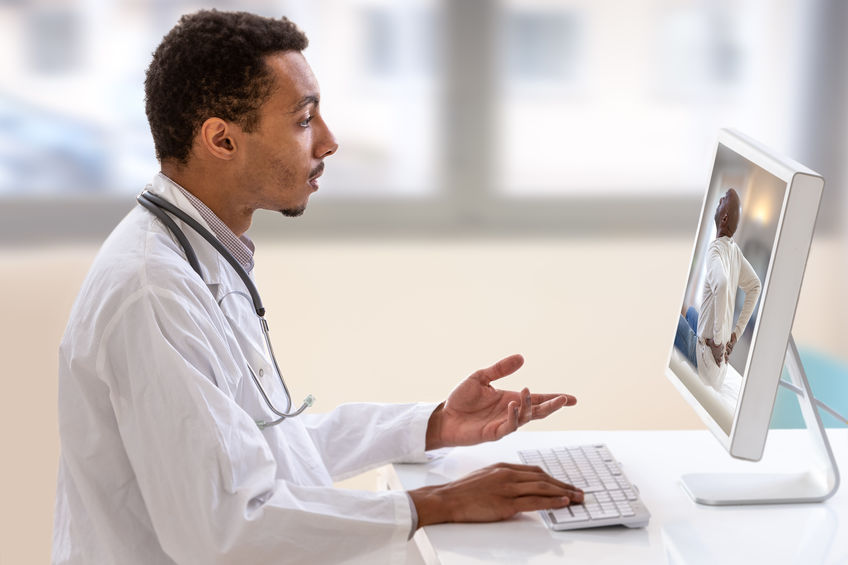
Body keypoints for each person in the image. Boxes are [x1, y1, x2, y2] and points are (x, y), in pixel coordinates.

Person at [52, 10, 583, 564]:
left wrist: (432, 424)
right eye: (305, 120)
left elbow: (268, 448)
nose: (328, 142)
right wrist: (435, 503)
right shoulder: (153, 292)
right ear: (221, 139)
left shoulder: (195, 256)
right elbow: (224, 531)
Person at [675, 188, 761, 392]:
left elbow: (721, 285)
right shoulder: (734, 250)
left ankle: (706, 344)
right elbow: (755, 286)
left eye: (723, 199)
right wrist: (734, 336)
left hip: (705, 364)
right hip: (719, 371)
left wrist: (717, 342)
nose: (719, 200)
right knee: (692, 313)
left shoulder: (714, 250)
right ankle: (711, 342)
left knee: (671, 316)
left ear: (723, 219)